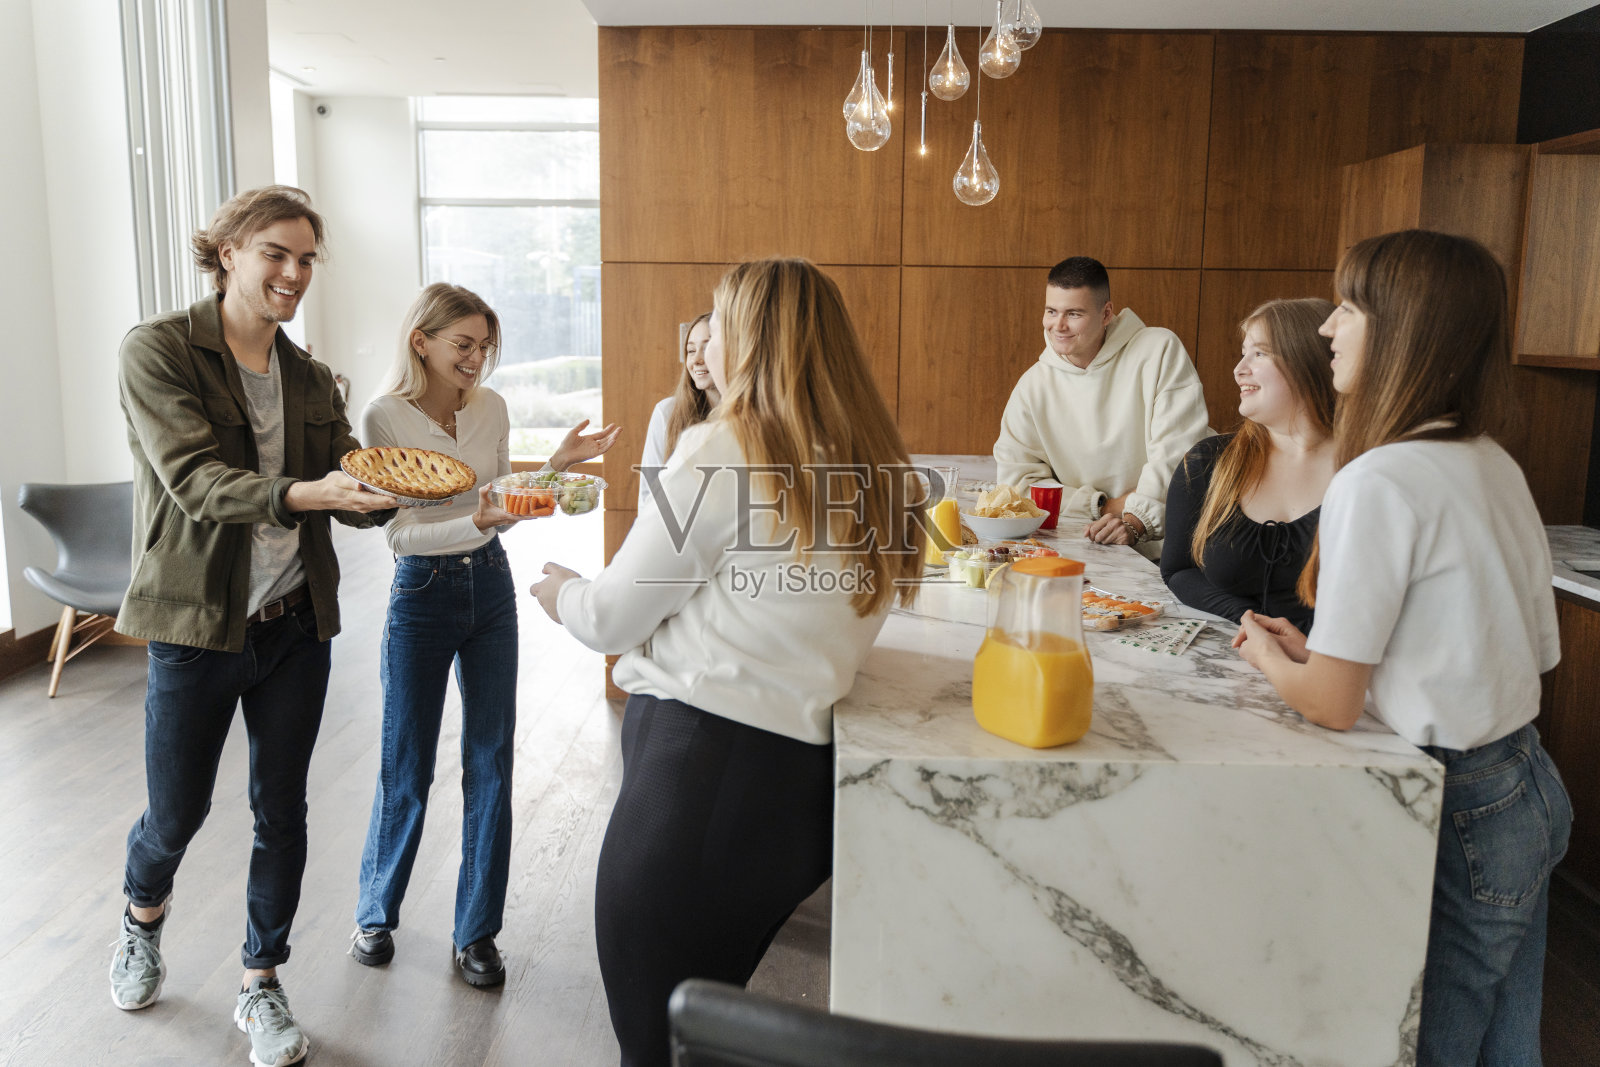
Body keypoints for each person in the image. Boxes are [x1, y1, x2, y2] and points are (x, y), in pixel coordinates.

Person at [529, 258, 925, 1067]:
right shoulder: (883, 469)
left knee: (654, 1046)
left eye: (720, 318)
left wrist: (561, 591)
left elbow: (612, 616)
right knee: (704, 1037)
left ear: (753, 337)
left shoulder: (723, 449)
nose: (706, 337)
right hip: (794, 803)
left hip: (694, 789)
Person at [1232, 230, 1571, 1066]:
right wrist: (1316, 651)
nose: (1328, 329)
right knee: (1508, 1047)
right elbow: (1522, 652)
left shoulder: (1375, 479)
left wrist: (1270, 659)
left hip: (1457, 800)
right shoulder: (1491, 460)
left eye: (1348, 307)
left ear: (1403, 329)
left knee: (1431, 1048)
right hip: (1529, 784)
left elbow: (1335, 708)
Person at [109, 185, 399, 1067]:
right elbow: (195, 481)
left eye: (307, 258)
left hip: (294, 628)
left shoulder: (310, 378)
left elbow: (352, 481)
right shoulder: (158, 350)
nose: (294, 272)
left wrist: (403, 493)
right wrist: (306, 493)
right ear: (228, 250)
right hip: (197, 626)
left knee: (283, 810)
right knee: (177, 812)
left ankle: (261, 979)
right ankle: (140, 920)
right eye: (276, 251)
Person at [348, 282, 619, 987]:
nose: (476, 359)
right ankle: (375, 914)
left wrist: (556, 466)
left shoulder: (492, 408)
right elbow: (402, 534)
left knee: (492, 759)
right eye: (463, 344)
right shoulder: (384, 418)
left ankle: (477, 933)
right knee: (405, 763)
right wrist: (479, 520)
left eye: (484, 347)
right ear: (422, 342)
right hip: (423, 594)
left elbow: (501, 497)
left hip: (490, 587)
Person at [993, 256, 1213, 559]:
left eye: (1074, 313)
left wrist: (1136, 519)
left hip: (1173, 545)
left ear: (1106, 313)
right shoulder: (1032, 386)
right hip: (1087, 542)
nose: (1058, 325)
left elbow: (1178, 453)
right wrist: (1100, 506)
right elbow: (1017, 486)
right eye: (1051, 311)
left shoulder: (1158, 350)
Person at [1160, 298, 1335, 629]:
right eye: (1243, 353)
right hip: (1230, 662)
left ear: (1308, 361)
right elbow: (1178, 570)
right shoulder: (1209, 461)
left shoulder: (1363, 471)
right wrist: (1250, 619)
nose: (1239, 369)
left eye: (1260, 353)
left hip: (1327, 671)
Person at [637, 311, 717, 510]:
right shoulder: (667, 412)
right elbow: (648, 495)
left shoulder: (757, 416)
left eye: (707, 348)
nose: (696, 360)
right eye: (691, 351)